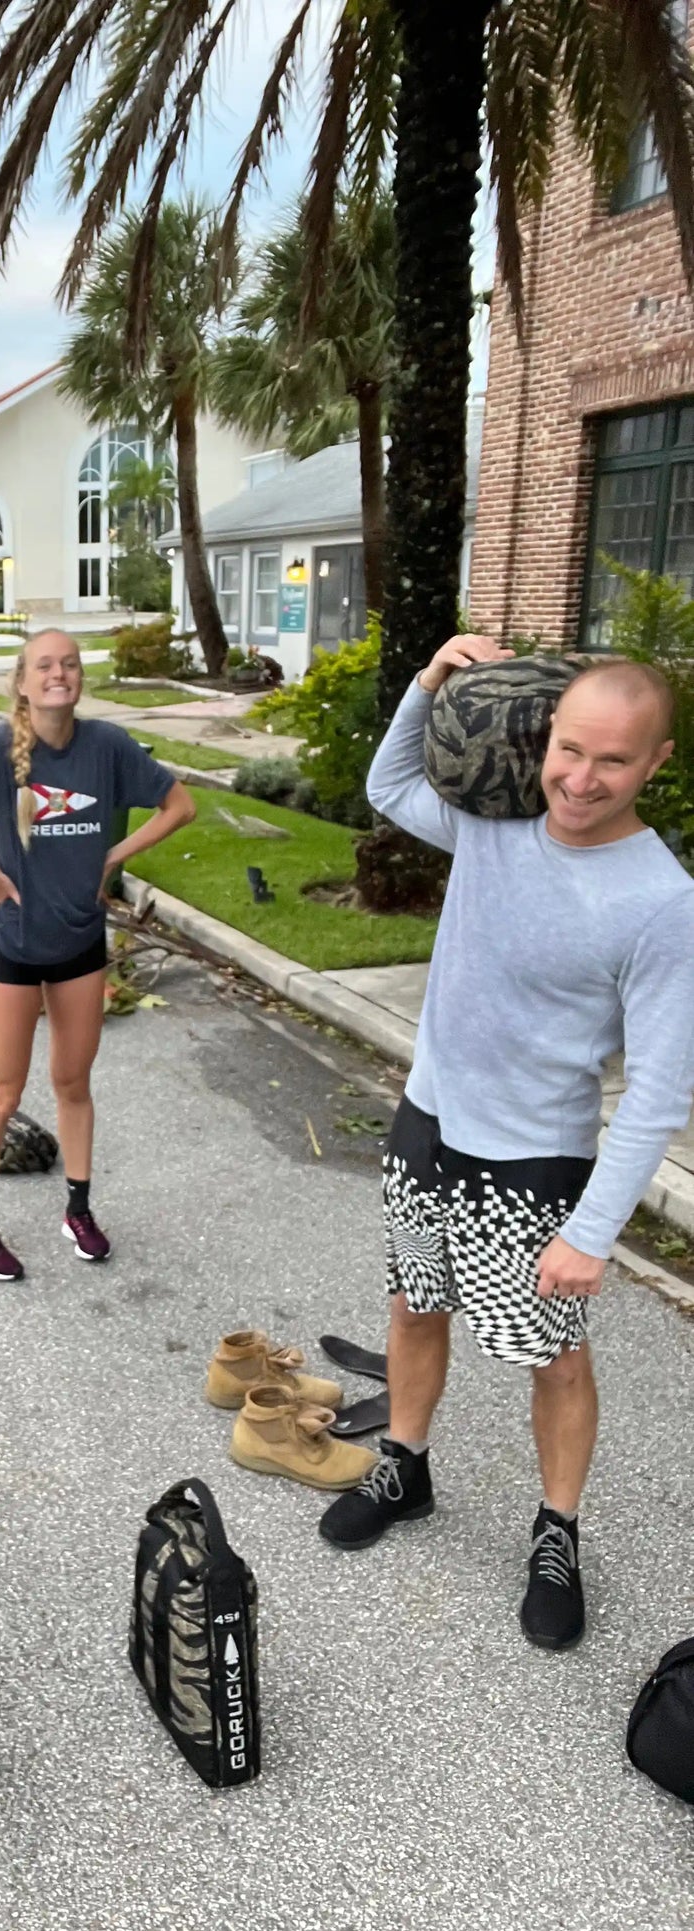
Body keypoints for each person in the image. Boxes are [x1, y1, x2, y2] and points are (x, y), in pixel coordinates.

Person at [319, 639, 694, 1653]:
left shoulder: (660, 901)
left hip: (533, 1163)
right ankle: (405, 1461)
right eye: (569, 749)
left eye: (612, 762)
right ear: (548, 735)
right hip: (428, 1118)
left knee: (553, 1356)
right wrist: (430, 680)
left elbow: (661, 1089)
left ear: (654, 763)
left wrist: (592, 1231)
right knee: (413, 1302)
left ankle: (557, 1532)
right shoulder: (497, 822)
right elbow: (388, 781)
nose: (580, 779)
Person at [0, 627, 195, 1279]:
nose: (58, 673)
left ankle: (79, 1210)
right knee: (0, 1093)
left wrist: (114, 855)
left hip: (79, 945)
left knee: (73, 1083)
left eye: (69, 663)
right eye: (44, 665)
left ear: (79, 678)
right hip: (14, 949)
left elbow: (180, 806)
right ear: (22, 682)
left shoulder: (108, 748)